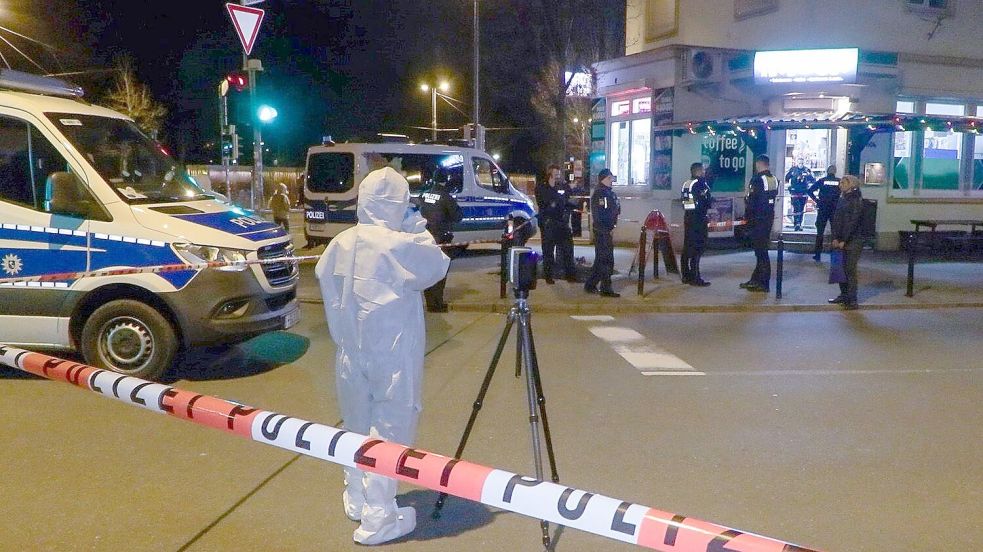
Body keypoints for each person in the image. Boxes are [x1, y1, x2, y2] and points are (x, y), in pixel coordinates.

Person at [314, 167, 449, 545]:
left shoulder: (340, 242)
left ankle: (356, 496)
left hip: (349, 352)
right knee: (389, 431)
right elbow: (436, 265)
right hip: (390, 354)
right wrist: (417, 228)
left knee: (355, 424)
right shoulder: (396, 244)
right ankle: (379, 517)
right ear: (397, 205)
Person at [419, 175, 463, 312]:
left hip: (425, 238)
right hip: (441, 239)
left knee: (428, 271)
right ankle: (437, 304)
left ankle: (430, 302)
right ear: (445, 181)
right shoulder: (446, 197)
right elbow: (457, 217)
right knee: (440, 271)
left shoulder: (424, 195)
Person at [741, 154, 778, 293]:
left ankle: (763, 282)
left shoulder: (756, 179)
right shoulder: (773, 179)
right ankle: (755, 279)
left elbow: (751, 201)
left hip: (757, 219)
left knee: (761, 252)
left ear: (758, 164)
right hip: (768, 218)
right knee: (761, 250)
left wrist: (747, 220)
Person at [535, 165, 577, 284]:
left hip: (561, 222)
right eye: (556, 172)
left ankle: (570, 275)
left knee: (568, 249)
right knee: (548, 251)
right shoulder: (541, 187)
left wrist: (565, 197)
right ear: (550, 173)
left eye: (559, 173)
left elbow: (566, 197)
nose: (558, 174)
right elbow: (545, 202)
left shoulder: (562, 185)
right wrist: (559, 199)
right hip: (548, 222)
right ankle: (548, 276)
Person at [828, 174, 864, 310]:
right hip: (841, 239)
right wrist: (835, 238)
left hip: (853, 240)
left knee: (849, 269)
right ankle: (844, 295)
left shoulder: (856, 201)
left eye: (843, 182)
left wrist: (844, 240)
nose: (840, 184)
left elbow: (852, 222)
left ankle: (852, 299)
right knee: (840, 269)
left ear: (852, 185)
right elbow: (837, 220)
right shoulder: (842, 199)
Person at [584, 168, 620, 297]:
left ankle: (590, 284)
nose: (612, 181)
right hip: (602, 230)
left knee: (601, 260)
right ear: (603, 179)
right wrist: (607, 227)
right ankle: (605, 288)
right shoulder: (600, 194)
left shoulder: (608, 193)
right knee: (606, 260)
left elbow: (615, 209)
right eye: (610, 178)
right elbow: (600, 214)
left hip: (607, 230)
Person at [680, 162, 714, 286]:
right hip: (698, 219)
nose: (704, 172)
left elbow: (686, 203)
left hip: (689, 218)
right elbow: (707, 201)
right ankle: (695, 277)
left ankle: (686, 275)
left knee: (687, 246)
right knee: (697, 248)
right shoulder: (700, 184)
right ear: (698, 171)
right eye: (703, 170)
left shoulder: (686, 184)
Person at [808, 165, 840, 261]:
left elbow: (810, 191)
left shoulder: (822, 180)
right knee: (835, 232)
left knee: (820, 232)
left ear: (827, 171)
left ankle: (817, 254)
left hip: (823, 208)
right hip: (834, 209)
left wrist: (817, 200)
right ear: (835, 172)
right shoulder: (839, 181)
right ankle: (834, 253)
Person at [785, 159, 815, 232]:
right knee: (796, 207)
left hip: (803, 192)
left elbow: (813, 180)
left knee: (801, 208)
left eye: (802, 163)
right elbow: (786, 178)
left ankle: (799, 224)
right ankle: (796, 223)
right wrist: (793, 176)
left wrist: (808, 175)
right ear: (797, 163)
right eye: (799, 163)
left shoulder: (807, 170)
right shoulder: (793, 169)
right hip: (795, 191)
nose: (800, 164)